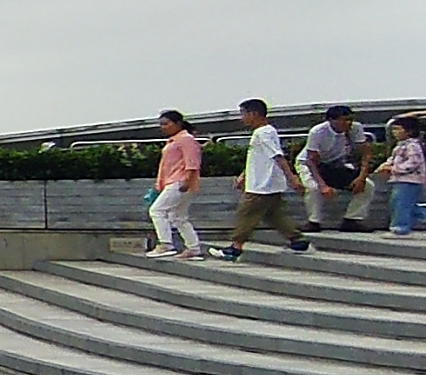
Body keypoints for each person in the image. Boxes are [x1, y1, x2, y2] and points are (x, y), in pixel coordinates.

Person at [222, 99, 312, 260]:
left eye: (243, 114)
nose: (241, 118)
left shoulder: (263, 133)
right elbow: (257, 158)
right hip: (268, 184)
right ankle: (298, 241)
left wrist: (292, 178)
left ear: (253, 114)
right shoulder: (266, 132)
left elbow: (278, 156)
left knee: (246, 213)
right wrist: (244, 176)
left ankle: (235, 247)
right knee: (274, 215)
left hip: (262, 185)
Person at [300, 106, 375, 233]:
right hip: (310, 163)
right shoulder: (318, 132)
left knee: (368, 186)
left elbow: (366, 153)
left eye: (350, 120)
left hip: (335, 163)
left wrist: (361, 177)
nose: (348, 124)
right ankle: (314, 221)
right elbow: (311, 160)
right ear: (331, 120)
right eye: (343, 120)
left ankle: (352, 219)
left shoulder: (356, 128)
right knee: (313, 188)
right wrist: (323, 185)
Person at [146, 110, 206, 260]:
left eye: (166, 124)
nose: (163, 127)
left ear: (178, 123)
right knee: (178, 217)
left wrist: (187, 181)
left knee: (157, 210)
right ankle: (193, 247)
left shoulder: (186, 139)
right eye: (161, 124)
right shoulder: (175, 140)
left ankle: (165, 244)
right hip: (174, 181)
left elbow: (192, 162)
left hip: (180, 181)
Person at [380, 116, 424, 237]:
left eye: (398, 129)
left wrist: (394, 169)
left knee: (401, 203)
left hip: (410, 180)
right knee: (405, 204)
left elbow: (414, 162)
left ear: (409, 131)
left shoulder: (413, 146)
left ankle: (400, 228)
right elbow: (394, 158)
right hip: (400, 179)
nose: (394, 132)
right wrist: (387, 165)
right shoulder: (401, 145)